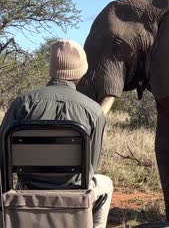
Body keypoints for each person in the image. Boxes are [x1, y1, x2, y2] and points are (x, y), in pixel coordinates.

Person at [0, 40, 113, 228]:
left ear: (51, 69)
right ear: (81, 72)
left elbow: (2, 156)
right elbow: (91, 165)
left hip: (27, 188)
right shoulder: (94, 111)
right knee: (106, 184)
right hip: (75, 191)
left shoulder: (22, 103)